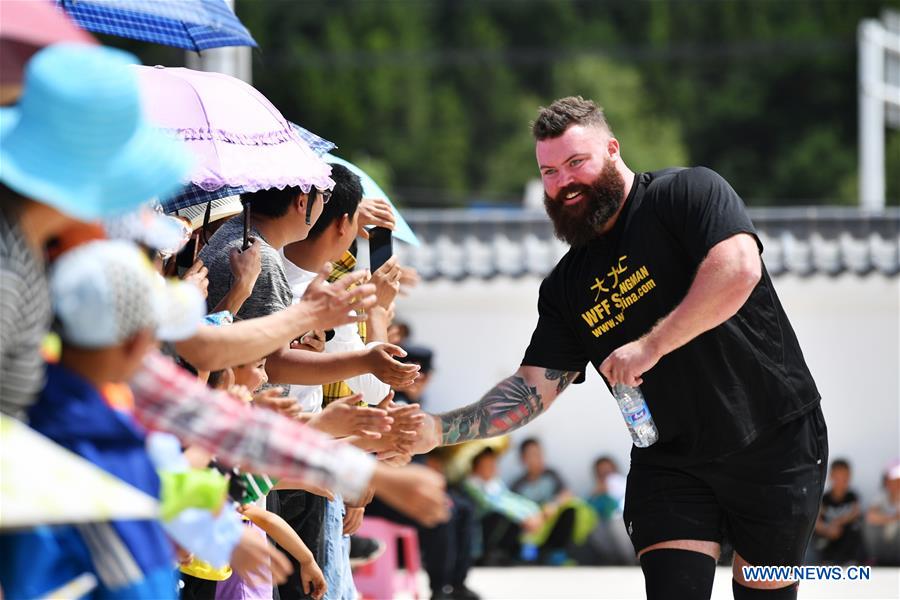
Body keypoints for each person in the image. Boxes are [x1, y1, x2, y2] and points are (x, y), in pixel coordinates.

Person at [411, 96, 827, 600]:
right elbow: (532, 388)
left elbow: (737, 269)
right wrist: (437, 429)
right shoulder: (567, 286)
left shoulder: (687, 193)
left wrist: (650, 347)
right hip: (671, 460)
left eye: (575, 162)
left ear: (612, 149)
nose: (563, 182)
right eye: (548, 171)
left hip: (774, 442)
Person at [810, 459, 866, 565]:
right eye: (837, 478)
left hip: (844, 534)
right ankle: (824, 561)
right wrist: (827, 529)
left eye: (844, 478)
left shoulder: (852, 496)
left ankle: (851, 560)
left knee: (855, 528)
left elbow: (856, 512)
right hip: (828, 535)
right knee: (815, 536)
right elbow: (817, 521)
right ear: (831, 477)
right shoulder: (824, 498)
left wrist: (838, 523)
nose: (840, 481)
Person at [865, 461, 900, 566]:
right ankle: (875, 558)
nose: (894, 483)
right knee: (868, 525)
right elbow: (870, 516)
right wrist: (893, 518)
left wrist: (883, 518)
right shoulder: (881, 497)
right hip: (883, 544)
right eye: (892, 480)